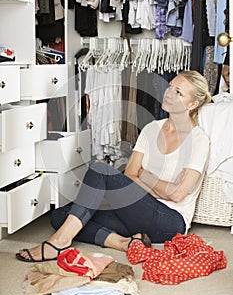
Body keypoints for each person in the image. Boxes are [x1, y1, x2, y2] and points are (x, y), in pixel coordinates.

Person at [16, 70, 211, 263]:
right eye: (170, 87)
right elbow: (130, 174)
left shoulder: (198, 140)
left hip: (169, 220)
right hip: (137, 210)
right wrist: (159, 186)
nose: (169, 93)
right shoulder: (152, 128)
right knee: (61, 216)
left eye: (178, 92)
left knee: (100, 170)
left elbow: (176, 195)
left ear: (192, 104)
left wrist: (146, 176)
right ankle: (123, 243)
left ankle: (59, 243)